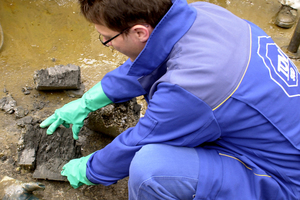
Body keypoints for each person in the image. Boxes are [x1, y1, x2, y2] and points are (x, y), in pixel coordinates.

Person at [40, 0, 300, 199]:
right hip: (267, 135)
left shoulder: (192, 88)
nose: (107, 44)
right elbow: (151, 61)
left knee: (150, 169)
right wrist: (88, 100)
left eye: (106, 38)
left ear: (140, 32)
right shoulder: (200, 13)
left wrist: (89, 170)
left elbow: (140, 140)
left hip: (283, 178)